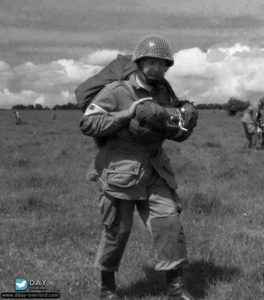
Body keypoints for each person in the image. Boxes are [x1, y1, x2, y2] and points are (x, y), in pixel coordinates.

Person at [79, 35, 195, 300]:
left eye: (162, 64)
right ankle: (107, 288)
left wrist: (184, 112)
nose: (157, 68)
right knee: (117, 233)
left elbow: (168, 117)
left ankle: (175, 289)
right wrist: (126, 114)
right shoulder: (117, 91)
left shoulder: (164, 89)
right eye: (151, 62)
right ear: (139, 63)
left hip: (156, 169)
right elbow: (87, 125)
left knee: (169, 225)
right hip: (121, 170)